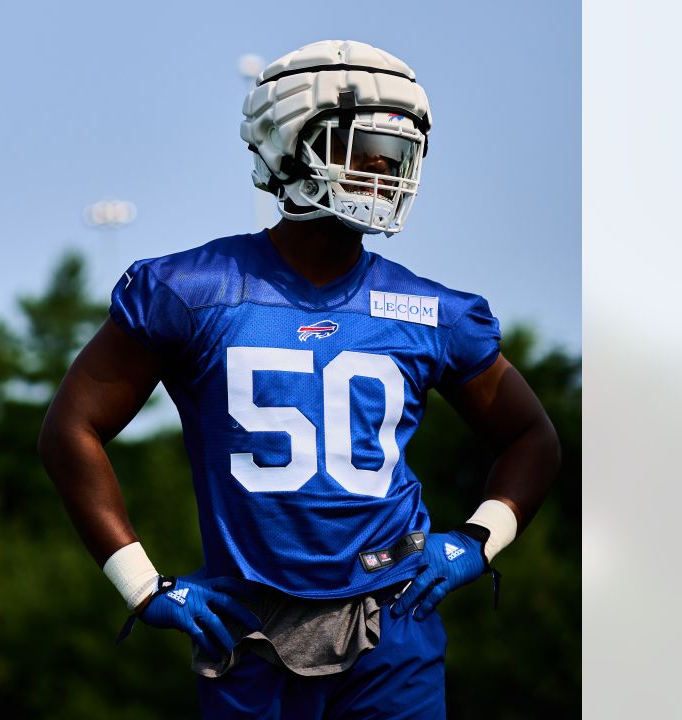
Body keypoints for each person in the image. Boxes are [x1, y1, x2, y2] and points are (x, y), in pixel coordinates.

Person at [37, 39, 560, 719]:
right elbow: (70, 428)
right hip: (248, 623)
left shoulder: (431, 311)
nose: (383, 174)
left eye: (395, 157)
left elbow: (531, 436)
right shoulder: (194, 290)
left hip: (394, 620)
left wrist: (480, 536)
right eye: (364, 151)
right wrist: (140, 583)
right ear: (289, 147)